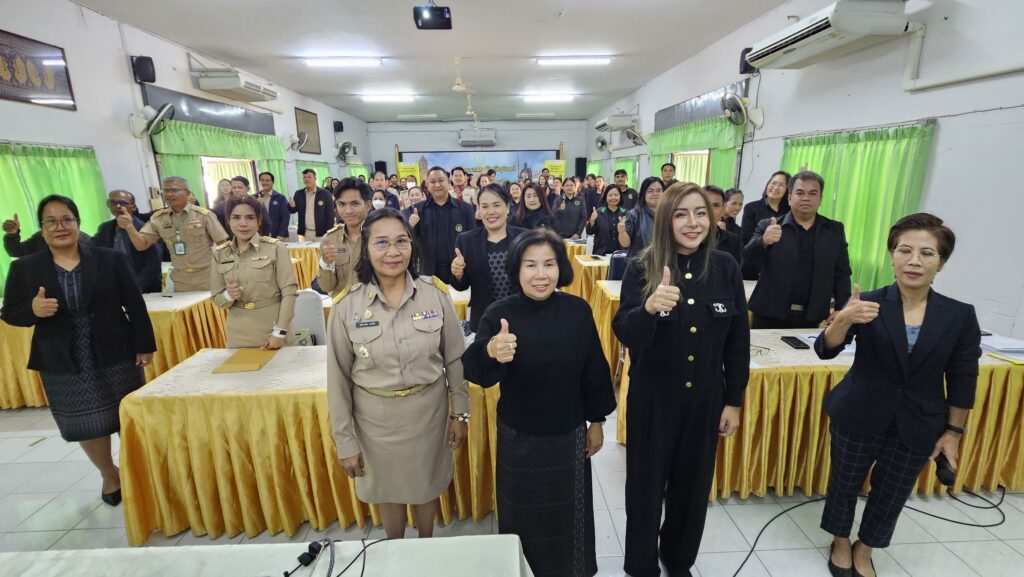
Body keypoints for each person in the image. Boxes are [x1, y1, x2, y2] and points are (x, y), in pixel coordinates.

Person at [815, 213, 979, 577]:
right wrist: (843, 318)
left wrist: (954, 432)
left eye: (926, 253)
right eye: (905, 250)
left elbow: (963, 377)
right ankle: (840, 541)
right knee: (844, 484)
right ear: (892, 256)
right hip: (858, 412)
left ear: (941, 262)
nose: (914, 261)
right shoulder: (868, 302)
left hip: (919, 419)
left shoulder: (959, 316)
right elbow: (825, 350)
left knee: (892, 491)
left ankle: (865, 548)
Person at [612, 182, 749, 577]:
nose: (693, 223)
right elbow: (625, 332)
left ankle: (678, 559)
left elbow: (737, 340)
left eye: (701, 213)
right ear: (665, 220)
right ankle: (641, 565)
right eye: (681, 214)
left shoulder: (725, 267)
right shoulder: (642, 266)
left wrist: (734, 400)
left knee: (692, 489)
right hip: (653, 400)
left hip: (705, 400)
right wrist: (649, 308)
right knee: (645, 489)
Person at [463, 229, 615, 577]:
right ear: (516, 269)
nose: (541, 274)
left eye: (549, 264)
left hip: (568, 435)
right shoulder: (499, 314)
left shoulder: (577, 311)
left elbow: (593, 369)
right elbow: (474, 371)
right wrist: (491, 350)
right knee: (521, 518)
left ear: (561, 267)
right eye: (530, 265)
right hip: (519, 437)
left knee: (569, 517)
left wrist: (596, 422)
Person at [1, 195, 156, 507]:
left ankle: (142, 473)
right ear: (41, 228)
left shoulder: (109, 259)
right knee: (86, 422)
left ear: (77, 223)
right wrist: (33, 310)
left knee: (127, 416)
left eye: (66, 219)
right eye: (51, 221)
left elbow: (134, 304)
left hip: (116, 349)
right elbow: (11, 312)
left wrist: (144, 345)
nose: (60, 227)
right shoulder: (25, 267)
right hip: (62, 357)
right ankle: (109, 473)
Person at [326, 208, 469, 539]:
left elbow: (455, 358)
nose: (393, 251)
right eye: (381, 242)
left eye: (401, 241)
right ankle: (395, 547)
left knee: (425, 484)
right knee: (387, 490)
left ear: (411, 245)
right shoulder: (347, 305)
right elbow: (338, 379)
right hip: (375, 421)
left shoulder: (435, 294)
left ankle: (425, 542)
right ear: (366, 247)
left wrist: (460, 413)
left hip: (428, 413)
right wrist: (345, 440)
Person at [744, 171, 852, 329]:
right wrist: (763, 241)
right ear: (789, 198)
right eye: (800, 193)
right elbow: (746, 260)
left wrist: (841, 308)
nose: (806, 198)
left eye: (813, 193)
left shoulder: (834, 230)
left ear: (820, 199)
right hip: (768, 314)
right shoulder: (769, 225)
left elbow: (842, 273)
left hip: (812, 317)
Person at [211, 195, 297, 349]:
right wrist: (228, 295)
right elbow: (217, 297)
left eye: (250, 217)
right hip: (238, 331)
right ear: (228, 221)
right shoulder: (220, 254)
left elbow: (289, 292)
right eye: (236, 217)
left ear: (259, 220)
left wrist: (280, 332)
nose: (243, 223)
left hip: (272, 328)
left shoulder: (275, 248)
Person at [118, 176, 228, 292]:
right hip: (179, 280)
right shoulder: (158, 218)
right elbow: (141, 245)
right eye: (166, 191)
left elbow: (223, 244)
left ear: (187, 193)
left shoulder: (203, 215)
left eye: (174, 190)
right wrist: (129, 227)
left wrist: (227, 272)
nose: (169, 194)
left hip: (208, 277)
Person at [450, 183, 527, 333]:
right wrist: (458, 274)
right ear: (478, 209)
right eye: (484, 206)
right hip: (484, 318)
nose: (491, 212)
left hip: (522, 316)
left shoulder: (524, 238)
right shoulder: (466, 240)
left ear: (507, 207)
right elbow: (461, 286)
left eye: (496, 205)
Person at [407, 166, 477, 285]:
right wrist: (410, 226)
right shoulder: (418, 210)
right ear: (427, 185)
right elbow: (411, 241)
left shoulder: (465, 209)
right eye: (432, 182)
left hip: (458, 273)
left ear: (449, 182)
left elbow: (472, 241)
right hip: (428, 274)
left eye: (440, 180)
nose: (437, 185)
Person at [92, 190, 162, 293]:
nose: (118, 206)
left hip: (144, 288)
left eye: (123, 203)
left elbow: (153, 265)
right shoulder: (105, 228)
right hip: (115, 285)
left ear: (133, 207)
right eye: (113, 202)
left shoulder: (147, 228)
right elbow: (92, 249)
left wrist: (134, 288)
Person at [319, 178, 371, 297]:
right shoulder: (330, 240)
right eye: (341, 204)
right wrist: (326, 263)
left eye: (355, 203)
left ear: (368, 205)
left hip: (373, 305)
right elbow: (327, 287)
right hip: (342, 306)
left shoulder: (381, 236)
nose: (348, 211)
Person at [741, 171, 790, 280]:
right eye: (773, 183)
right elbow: (747, 238)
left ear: (788, 190)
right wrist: (765, 239)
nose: (775, 188)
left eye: (781, 185)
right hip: (753, 268)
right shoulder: (751, 207)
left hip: (779, 269)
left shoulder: (789, 212)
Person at [619, 177, 664, 260]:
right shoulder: (634, 214)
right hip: (638, 263)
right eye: (650, 191)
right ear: (643, 193)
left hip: (663, 262)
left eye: (658, 190)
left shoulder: (669, 214)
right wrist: (622, 232)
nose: (655, 194)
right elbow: (625, 244)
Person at [289, 168, 335, 242]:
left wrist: (329, 232)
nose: (306, 179)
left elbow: (330, 214)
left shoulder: (325, 193)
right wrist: (291, 205)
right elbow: (292, 211)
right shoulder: (299, 194)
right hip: (306, 233)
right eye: (304, 177)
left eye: (309, 177)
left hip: (322, 233)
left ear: (315, 178)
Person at [704, 185, 742, 266]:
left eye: (716, 205)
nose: (710, 210)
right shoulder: (687, 236)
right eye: (706, 204)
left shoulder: (734, 241)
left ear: (723, 209)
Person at [586, 186, 627, 256]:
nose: (613, 197)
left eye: (616, 195)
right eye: (610, 195)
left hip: (621, 254)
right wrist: (592, 221)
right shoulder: (598, 212)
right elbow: (590, 232)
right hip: (601, 253)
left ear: (620, 196)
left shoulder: (626, 213)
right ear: (605, 197)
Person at [256, 172, 291, 241]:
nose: (265, 182)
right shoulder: (254, 197)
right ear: (259, 181)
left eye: (268, 180)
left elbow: (285, 218)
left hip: (278, 236)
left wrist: (281, 235)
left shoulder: (280, 197)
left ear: (272, 182)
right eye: (262, 180)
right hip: (261, 236)